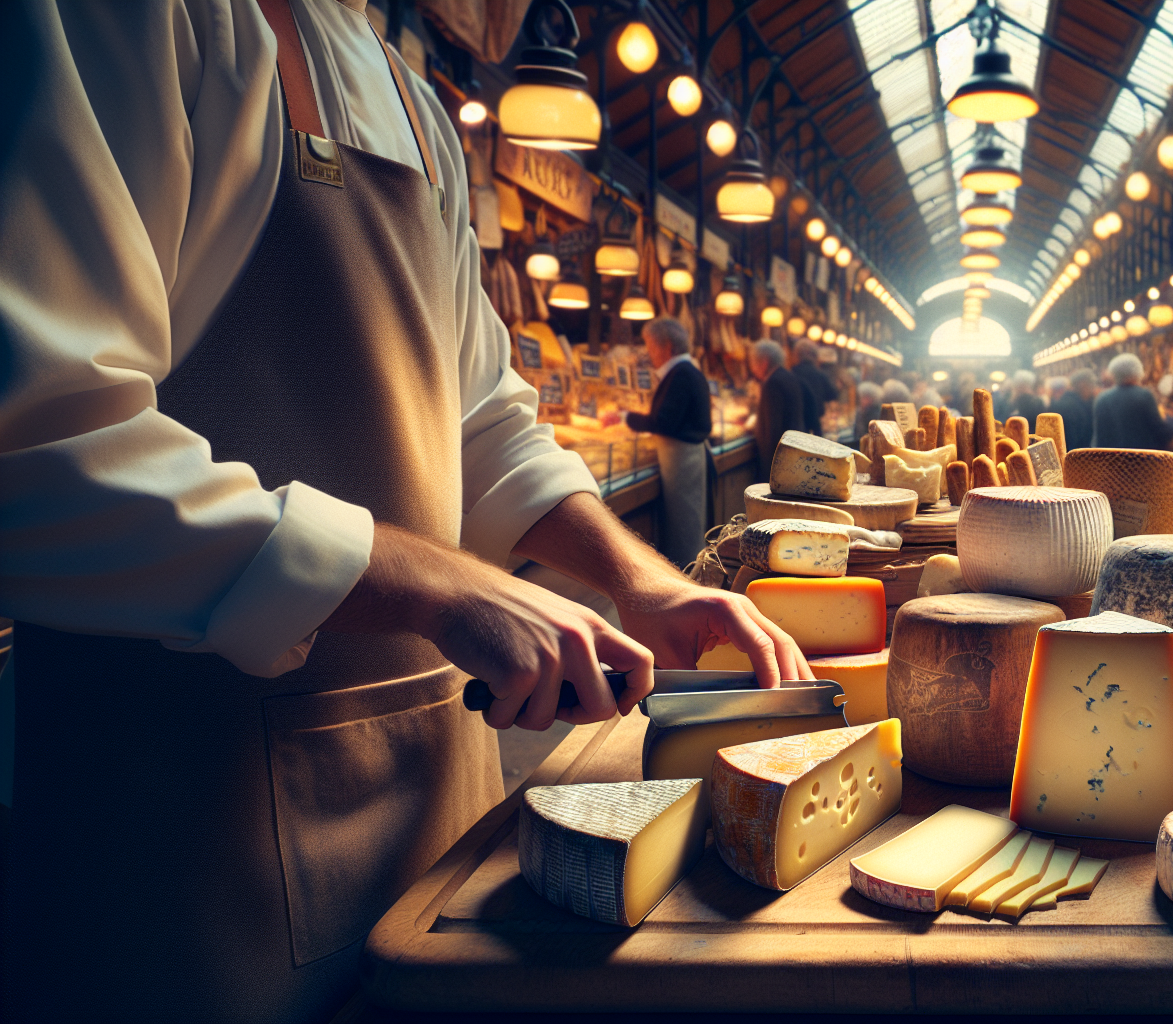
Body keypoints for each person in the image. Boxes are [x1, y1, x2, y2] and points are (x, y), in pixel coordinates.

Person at [0, 2, 809, 1019]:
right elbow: (35, 441)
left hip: (439, 809)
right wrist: (435, 578)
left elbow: (481, 413)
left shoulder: (417, 104)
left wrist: (638, 576)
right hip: (185, 853)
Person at [626, 318, 711, 569]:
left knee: (685, 524)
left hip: (682, 460)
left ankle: (688, 578)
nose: (649, 353)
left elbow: (664, 422)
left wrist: (627, 418)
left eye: (651, 346)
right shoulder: (686, 371)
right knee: (686, 521)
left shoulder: (681, 374)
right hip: (684, 458)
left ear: (668, 346)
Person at [1091, 354, 1173, 449]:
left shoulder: (1102, 399)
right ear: (1138, 372)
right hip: (1142, 460)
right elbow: (1163, 433)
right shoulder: (1144, 396)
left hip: (1113, 461)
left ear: (1113, 374)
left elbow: (1099, 440)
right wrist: (1172, 419)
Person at [751, 340, 807, 481]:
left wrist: (770, 468)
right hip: (794, 450)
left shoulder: (772, 382)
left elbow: (772, 428)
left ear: (764, 362)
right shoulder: (789, 376)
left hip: (780, 460)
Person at [790, 339, 837, 436]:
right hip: (816, 425)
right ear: (814, 356)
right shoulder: (820, 375)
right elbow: (832, 395)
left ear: (796, 355)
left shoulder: (791, 374)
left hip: (796, 427)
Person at [1052, 368, 1098, 451]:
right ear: (1082, 384)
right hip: (1074, 457)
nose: (1093, 389)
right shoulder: (1071, 407)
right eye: (1091, 385)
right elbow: (1072, 439)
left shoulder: (1075, 403)